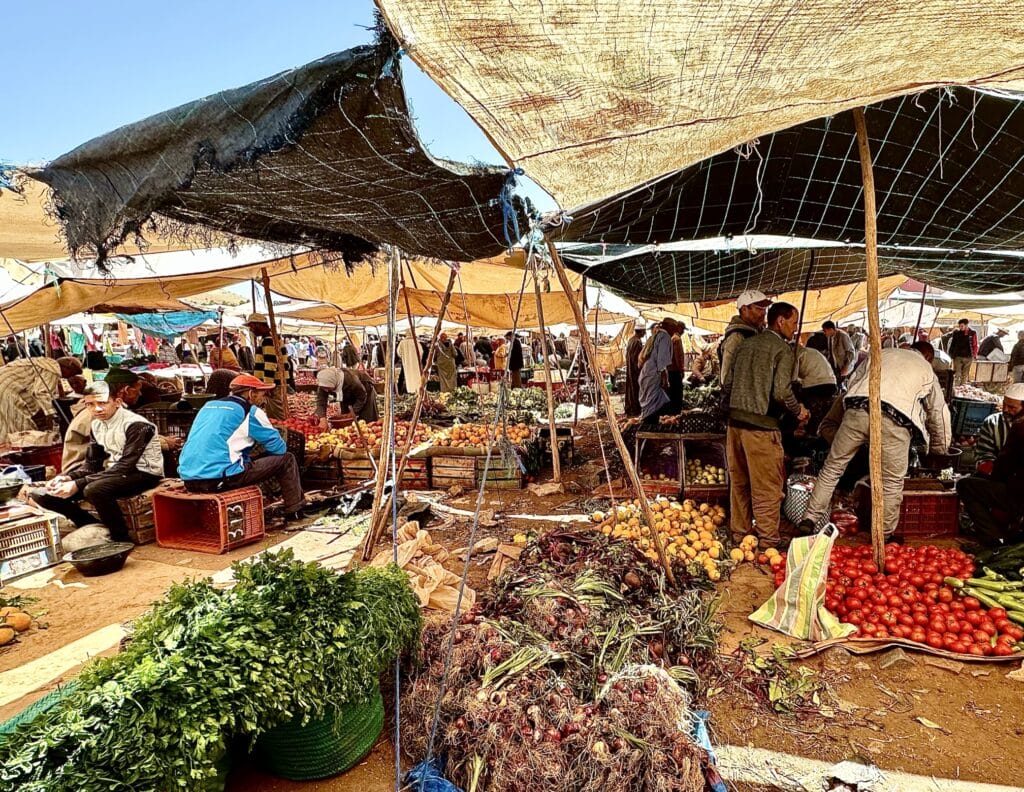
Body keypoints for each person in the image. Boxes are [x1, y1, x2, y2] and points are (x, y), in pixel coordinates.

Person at [798, 347, 951, 537]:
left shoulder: (882, 353)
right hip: (895, 419)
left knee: (832, 468)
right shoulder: (926, 369)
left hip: (856, 410)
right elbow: (939, 413)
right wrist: (939, 450)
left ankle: (809, 519)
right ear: (927, 357)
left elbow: (853, 383)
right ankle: (884, 535)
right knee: (892, 482)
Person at [34, 380, 164, 543]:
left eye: (102, 403)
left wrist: (78, 484)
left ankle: (120, 537)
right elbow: (92, 464)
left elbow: (126, 466)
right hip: (115, 472)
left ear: (117, 402)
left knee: (94, 489)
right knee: (43, 494)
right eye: (90, 404)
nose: (97, 409)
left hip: (143, 473)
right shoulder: (96, 425)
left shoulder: (138, 425)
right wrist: (67, 477)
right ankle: (91, 525)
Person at [726, 303, 809, 547]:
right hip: (760, 429)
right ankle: (767, 540)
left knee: (740, 483)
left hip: (734, 425)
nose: (795, 329)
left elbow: (728, 383)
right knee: (767, 488)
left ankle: (739, 534)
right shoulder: (782, 349)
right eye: (794, 323)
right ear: (780, 321)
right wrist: (799, 410)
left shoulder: (745, 344)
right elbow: (782, 393)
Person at [178, 374, 305, 521]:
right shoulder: (250, 411)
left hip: (189, 478)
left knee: (242, 458)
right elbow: (279, 449)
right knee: (287, 459)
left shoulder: (208, 406)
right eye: (262, 394)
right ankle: (295, 511)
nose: (263, 399)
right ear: (251, 394)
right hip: (220, 479)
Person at [957, 414, 1024, 546]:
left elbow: (1004, 465)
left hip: (1020, 496)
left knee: (965, 486)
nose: (1006, 410)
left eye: (1012, 407)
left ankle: (996, 539)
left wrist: (993, 475)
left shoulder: (1021, 426)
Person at [0, 356, 83, 443]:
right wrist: (51, 414)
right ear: (68, 368)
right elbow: (41, 392)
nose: (67, 377)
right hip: (5, 391)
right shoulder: (53, 370)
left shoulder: (43, 362)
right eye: (72, 374)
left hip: (4, 385)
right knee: (20, 426)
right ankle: (17, 450)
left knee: (4, 423)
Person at [719, 290, 771, 385]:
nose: (763, 313)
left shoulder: (759, 332)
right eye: (759, 309)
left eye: (765, 309)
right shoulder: (736, 338)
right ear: (744, 309)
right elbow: (726, 378)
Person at [638, 319, 681, 420]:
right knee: (653, 404)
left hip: (648, 372)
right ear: (668, 327)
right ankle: (650, 424)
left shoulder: (657, 335)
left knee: (651, 400)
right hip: (653, 373)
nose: (675, 331)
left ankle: (650, 422)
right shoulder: (665, 337)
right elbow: (661, 362)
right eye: (674, 328)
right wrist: (665, 378)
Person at [974, 384, 1024, 468]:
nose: (1005, 410)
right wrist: (990, 468)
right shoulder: (993, 422)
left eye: (1011, 407)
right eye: (1004, 404)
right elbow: (983, 453)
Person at [792, 345, 837, 436]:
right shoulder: (811, 351)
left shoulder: (795, 354)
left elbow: (793, 378)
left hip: (816, 383)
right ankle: (815, 431)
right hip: (832, 383)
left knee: (802, 402)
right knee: (818, 411)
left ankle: (802, 427)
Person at [246, 313, 284, 419]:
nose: (251, 330)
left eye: (252, 326)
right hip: (273, 383)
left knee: (277, 415)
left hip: (273, 384)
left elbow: (270, 364)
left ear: (258, 325)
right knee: (273, 413)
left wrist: (267, 385)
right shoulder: (268, 338)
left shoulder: (269, 340)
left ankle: (283, 433)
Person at [315, 367, 379, 425]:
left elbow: (362, 397)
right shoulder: (324, 383)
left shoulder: (351, 380)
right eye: (324, 388)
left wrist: (353, 412)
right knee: (345, 418)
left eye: (328, 388)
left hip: (364, 390)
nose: (326, 390)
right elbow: (321, 401)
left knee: (366, 417)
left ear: (334, 383)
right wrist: (322, 418)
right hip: (346, 394)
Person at [946, 318, 978, 385]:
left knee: (965, 374)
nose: (960, 328)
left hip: (968, 357)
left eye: (962, 326)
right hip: (958, 357)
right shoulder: (956, 333)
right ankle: (956, 387)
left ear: (966, 325)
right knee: (957, 373)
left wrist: (974, 355)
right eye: (960, 326)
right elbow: (953, 344)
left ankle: (962, 387)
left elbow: (975, 345)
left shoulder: (972, 333)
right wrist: (950, 354)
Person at [624, 326, 646, 416]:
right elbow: (637, 358)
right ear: (640, 332)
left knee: (631, 388)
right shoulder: (637, 341)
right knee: (635, 389)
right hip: (635, 369)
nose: (644, 333)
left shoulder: (631, 340)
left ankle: (630, 408)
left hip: (630, 368)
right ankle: (634, 409)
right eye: (644, 331)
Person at [665, 322, 687, 410]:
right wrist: (681, 370)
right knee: (677, 392)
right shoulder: (677, 339)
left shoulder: (672, 338)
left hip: (670, 370)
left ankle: (673, 410)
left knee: (672, 392)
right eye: (683, 329)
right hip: (675, 370)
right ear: (679, 328)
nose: (683, 332)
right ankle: (676, 411)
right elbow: (678, 357)